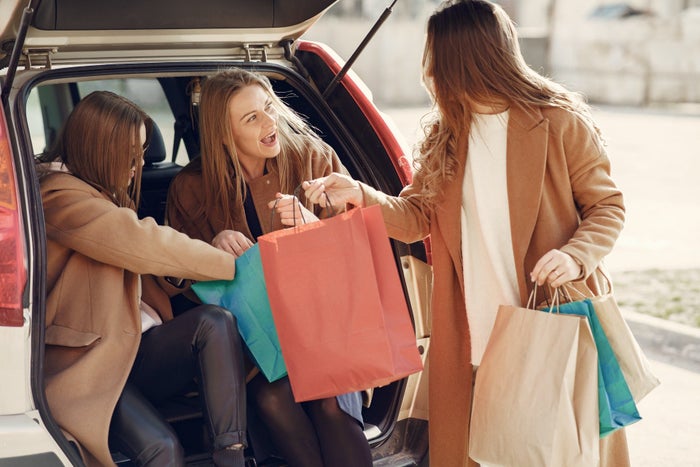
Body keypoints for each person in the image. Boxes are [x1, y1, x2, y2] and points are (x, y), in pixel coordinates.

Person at [301, 1, 630, 466]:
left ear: (461, 58)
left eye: (432, 53)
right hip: (473, 331)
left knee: (556, 454)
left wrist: (576, 256)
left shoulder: (557, 122)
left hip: (548, 321)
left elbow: (607, 206)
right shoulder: (446, 134)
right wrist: (359, 194)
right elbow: (417, 216)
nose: (426, 69)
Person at [166, 68, 373, 467]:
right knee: (271, 398)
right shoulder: (192, 188)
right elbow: (179, 281)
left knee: (329, 396)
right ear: (223, 133)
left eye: (269, 108)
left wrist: (312, 225)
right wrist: (212, 249)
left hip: (324, 326)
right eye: (252, 118)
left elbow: (358, 247)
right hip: (257, 342)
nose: (269, 123)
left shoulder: (314, 157)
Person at [38, 91, 249, 467]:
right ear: (99, 149)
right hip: (91, 362)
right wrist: (235, 266)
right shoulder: (60, 197)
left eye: (142, 152)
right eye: (131, 154)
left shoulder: (104, 193)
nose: (139, 164)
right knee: (162, 449)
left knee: (214, 323)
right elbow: (142, 241)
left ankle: (231, 456)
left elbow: (146, 269)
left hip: (136, 347)